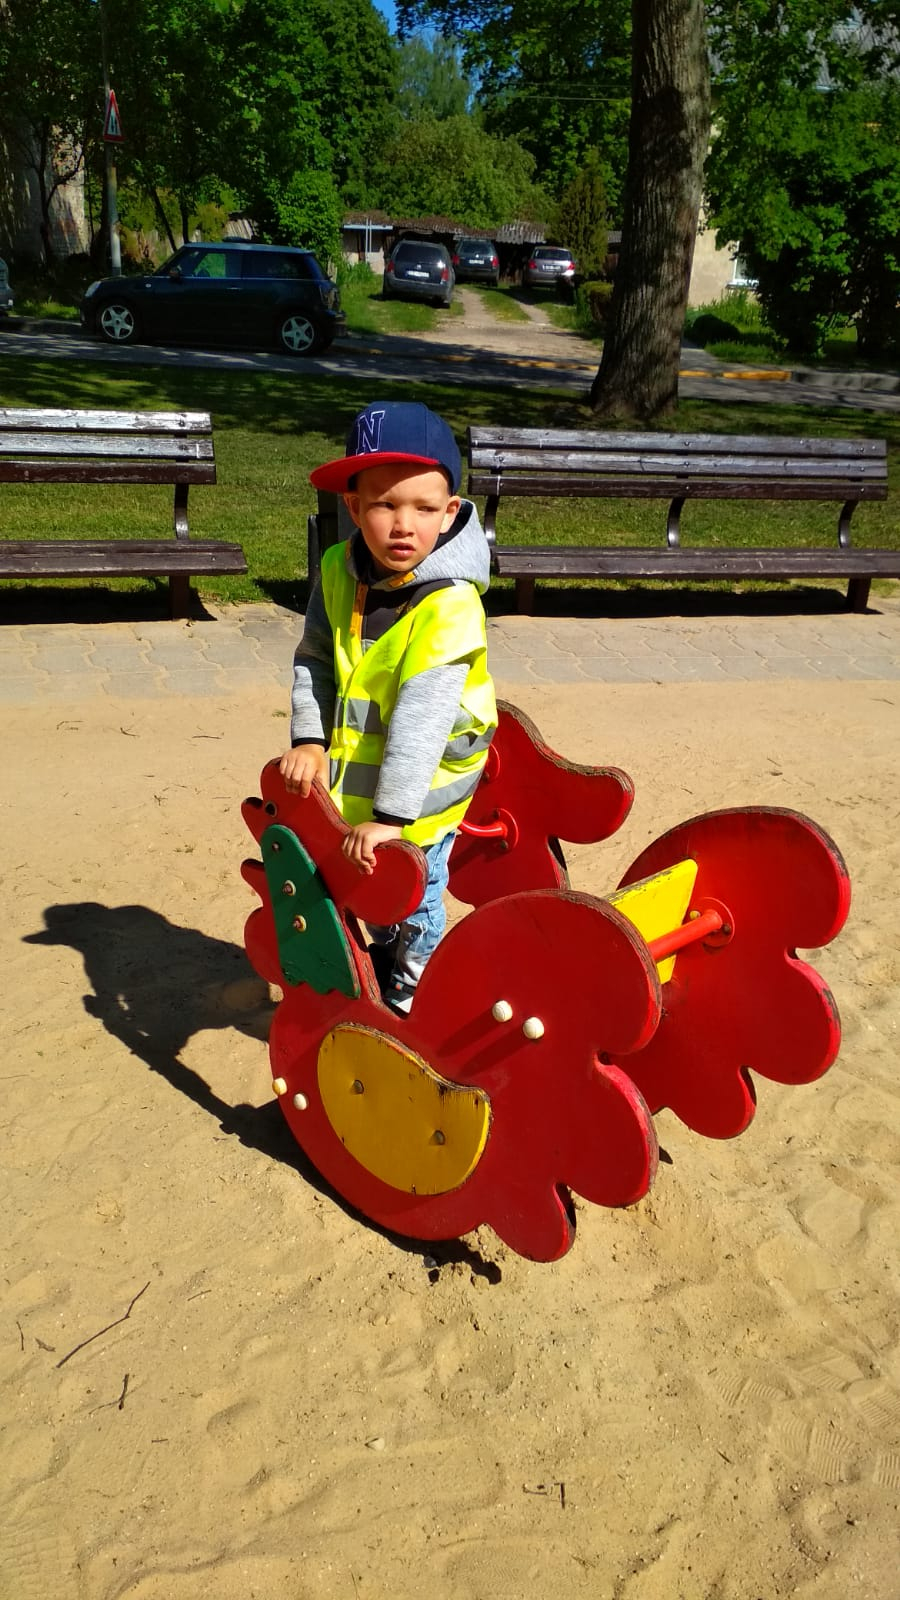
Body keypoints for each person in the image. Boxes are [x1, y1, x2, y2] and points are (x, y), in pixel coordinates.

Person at [280, 400, 496, 1014]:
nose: (404, 525)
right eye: (384, 505)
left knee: (415, 887)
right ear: (353, 508)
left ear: (450, 512)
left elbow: (423, 718)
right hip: (362, 773)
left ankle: (417, 983)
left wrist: (394, 820)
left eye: (425, 508)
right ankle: (386, 952)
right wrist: (310, 739)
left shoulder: (450, 603)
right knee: (367, 877)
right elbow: (316, 656)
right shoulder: (337, 570)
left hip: (426, 785)